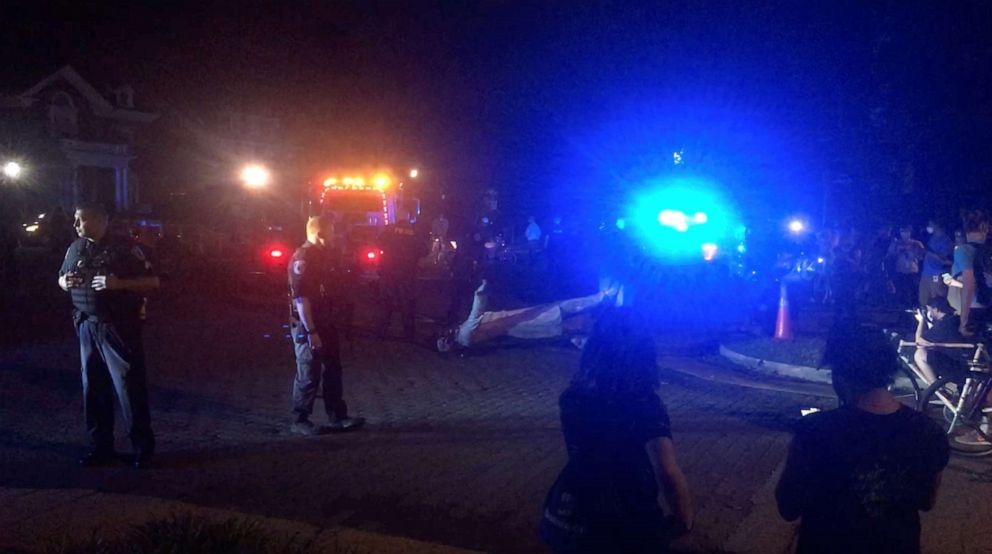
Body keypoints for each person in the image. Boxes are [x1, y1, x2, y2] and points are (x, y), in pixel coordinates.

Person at [776, 324, 949, 554]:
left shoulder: (816, 430)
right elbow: (926, 502)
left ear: (841, 372)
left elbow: (788, 506)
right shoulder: (929, 432)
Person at [539, 308, 693, 553]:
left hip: (570, 509)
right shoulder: (644, 404)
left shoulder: (572, 398)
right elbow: (667, 470)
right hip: (627, 515)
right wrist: (684, 516)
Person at [58, 203, 159, 468]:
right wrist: (64, 282)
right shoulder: (75, 248)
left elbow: (152, 281)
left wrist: (118, 284)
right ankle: (100, 447)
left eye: (82, 220)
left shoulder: (125, 248)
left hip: (118, 327)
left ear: (101, 221)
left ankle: (142, 448)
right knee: (94, 388)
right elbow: (60, 277)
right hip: (87, 326)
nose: (76, 225)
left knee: (129, 388)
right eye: (76, 220)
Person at [288, 216, 364, 436]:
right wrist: (311, 332)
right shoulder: (303, 258)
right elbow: (301, 299)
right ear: (319, 234)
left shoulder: (323, 256)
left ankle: (337, 416)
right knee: (308, 372)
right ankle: (299, 419)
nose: (335, 236)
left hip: (326, 322)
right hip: (307, 325)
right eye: (331, 232)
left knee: (333, 370)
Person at [437, 280, 617, 352]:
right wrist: (480, 293)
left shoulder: (465, 338)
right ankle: (603, 298)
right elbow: (475, 315)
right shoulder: (465, 334)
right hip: (517, 322)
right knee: (559, 310)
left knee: (558, 325)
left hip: (515, 327)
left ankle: (588, 341)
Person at [376, 211, 426, 341]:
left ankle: (382, 332)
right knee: (407, 304)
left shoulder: (389, 230)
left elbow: (378, 243)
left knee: (386, 303)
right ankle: (409, 334)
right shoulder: (415, 233)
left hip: (388, 271)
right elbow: (424, 251)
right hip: (407, 273)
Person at [947, 210, 990, 337]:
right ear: (984, 228)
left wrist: (963, 322)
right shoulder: (988, 251)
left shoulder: (964, 250)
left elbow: (969, 285)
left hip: (972, 309)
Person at [912, 296, 967, 384]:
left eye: (929, 310)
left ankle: (937, 388)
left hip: (955, 366)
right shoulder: (954, 319)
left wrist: (921, 320)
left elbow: (919, 342)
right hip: (964, 362)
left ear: (936, 309)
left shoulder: (943, 324)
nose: (929, 313)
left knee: (920, 353)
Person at [886, 225, 925, 308]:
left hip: (913, 271)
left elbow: (922, 257)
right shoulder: (896, 243)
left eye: (906, 232)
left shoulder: (916, 243)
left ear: (910, 232)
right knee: (901, 292)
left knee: (913, 291)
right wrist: (898, 251)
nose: (904, 234)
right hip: (900, 271)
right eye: (902, 232)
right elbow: (889, 256)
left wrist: (912, 252)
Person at [919, 219, 953, 306]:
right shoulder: (932, 238)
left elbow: (943, 259)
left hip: (936, 274)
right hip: (925, 274)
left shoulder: (945, 240)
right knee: (923, 300)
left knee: (936, 300)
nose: (929, 227)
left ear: (936, 225)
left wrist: (929, 252)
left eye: (930, 224)